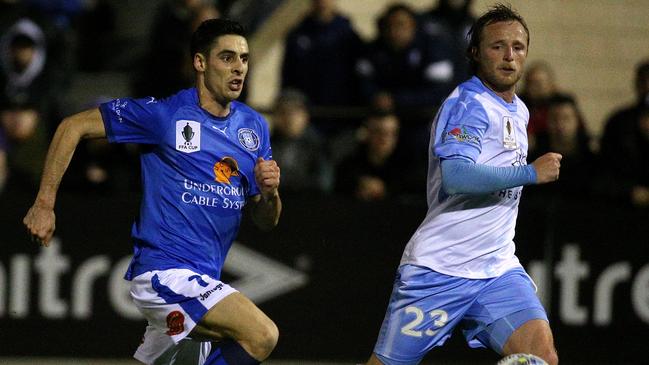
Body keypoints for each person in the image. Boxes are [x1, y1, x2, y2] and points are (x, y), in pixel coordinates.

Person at [23, 18, 282, 365]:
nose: (239, 68)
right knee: (261, 334)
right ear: (200, 63)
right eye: (227, 57)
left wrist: (270, 194)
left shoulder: (253, 127)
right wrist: (44, 204)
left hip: (203, 281)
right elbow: (73, 126)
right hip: (165, 275)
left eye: (245, 59)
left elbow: (266, 221)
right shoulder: (164, 116)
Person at [364, 5, 560, 365]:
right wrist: (530, 173)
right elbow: (456, 177)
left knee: (541, 355)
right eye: (497, 46)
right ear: (474, 52)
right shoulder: (469, 104)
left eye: (517, 47)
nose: (509, 56)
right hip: (440, 268)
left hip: (497, 267)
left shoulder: (519, 109)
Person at [599, 59, 649, 207]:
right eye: (644, 81)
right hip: (625, 207)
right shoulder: (619, 122)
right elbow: (605, 170)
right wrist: (628, 191)